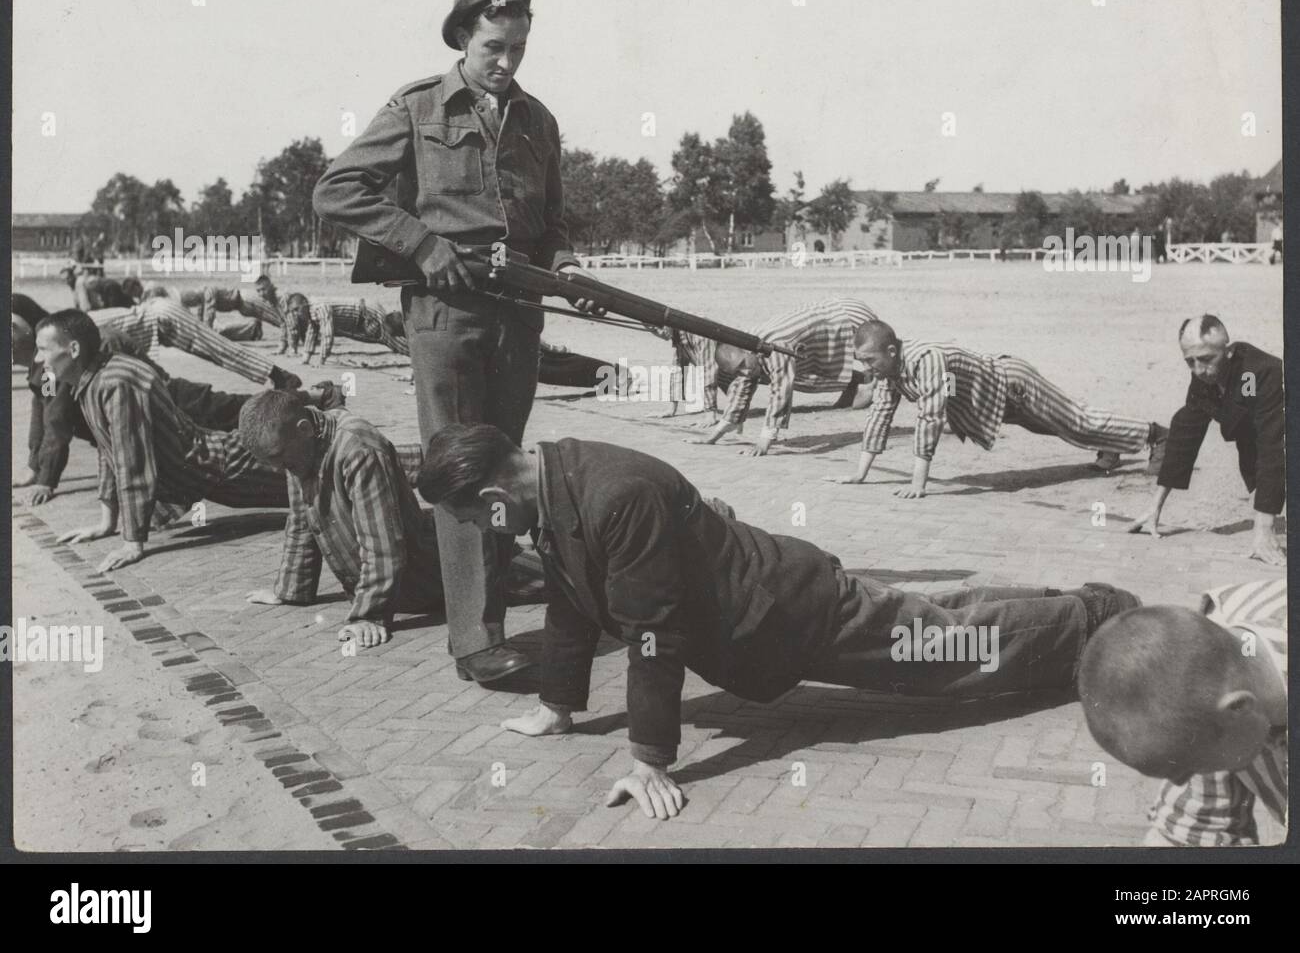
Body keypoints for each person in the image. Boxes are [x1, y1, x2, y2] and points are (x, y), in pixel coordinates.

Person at [416, 423, 1140, 820]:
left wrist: (649, 759)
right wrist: (558, 706)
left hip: (793, 612)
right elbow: (574, 600)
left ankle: (1094, 619)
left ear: (491, 489)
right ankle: (1076, 604)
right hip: (775, 604)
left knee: (951, 654)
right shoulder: (550, 484)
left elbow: (651, 635)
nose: (480, 529)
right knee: (941, 623)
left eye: (472, 516)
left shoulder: (612, 496)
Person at [312, 0, 603, 684]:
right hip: (445, 314)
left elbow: (552, 220)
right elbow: (336, 189)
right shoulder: (417, 108)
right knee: (459, 469)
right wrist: (420, 243)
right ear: (463, 39)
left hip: (519, 313)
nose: (507, 62)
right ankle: (474, 640)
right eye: (494, 48)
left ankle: (492, 612)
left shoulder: (539, 121)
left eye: (519, 48)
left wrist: (566, 265)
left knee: (505, 465)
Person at [34, 310, 317, 574]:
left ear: (73, 350)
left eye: (44, 349)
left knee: (323, 485)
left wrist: (133, 542)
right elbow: (108, 450)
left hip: (228, 466)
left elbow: (132, 461)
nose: (38, 359)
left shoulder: (115, 381)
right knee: (315, 490)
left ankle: (326, 405)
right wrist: (106, 523)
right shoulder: (92, 381)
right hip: (216, 471)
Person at [13, 295, 344, 507]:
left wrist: (46, 479)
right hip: (134, 353)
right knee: (216, 407)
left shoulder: (57, 342)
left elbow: (55, 420)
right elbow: (41, 411)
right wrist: (34, 467)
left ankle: (301, 390)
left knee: (218, 383)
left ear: (22, 329)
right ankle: (303, 394)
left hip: (160, 318)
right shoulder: (45, 357)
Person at [838, 319, 1167, 497]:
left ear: (892, 351)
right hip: (992, 401)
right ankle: (1111, 447)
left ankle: (1156, 434)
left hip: (1013, 384)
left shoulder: (926, 359)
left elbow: (930, 418)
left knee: (1075, 421)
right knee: (1053, 426)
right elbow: (880, 414)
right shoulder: (887, 371)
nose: (867, 368)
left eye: (870, 360)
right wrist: (858, 475)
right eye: (862, 361)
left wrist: (918, 484)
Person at [1078, 579, 1286, 846]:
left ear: (1239, 708)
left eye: (1190, 767)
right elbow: (1195, 831)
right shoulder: (1210, 669)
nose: (1179, 783)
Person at [239, 391, 442, 649]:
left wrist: (368, 615)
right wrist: (291, 591)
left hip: (425, 582)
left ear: (304, 429)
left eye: (281, 459)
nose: (280, 469)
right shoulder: (297, 448)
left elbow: (382, 540)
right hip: (393, 589)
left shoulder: (357, 447)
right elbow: (303, 523)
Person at [1128, 316, 1285, 565]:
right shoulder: (1205, 374)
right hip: (1254, 441)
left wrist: (1265, 529)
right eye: (1190, 361)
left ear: (1229, 351)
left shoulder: (1255, 375)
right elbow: (1186, 429)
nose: (1198, 370)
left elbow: (1272, 447)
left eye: (1206, 359)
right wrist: (1154, 507)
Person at [688, 298, 879, 456]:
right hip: (825, 322)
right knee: (815, 370)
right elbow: (742, 388)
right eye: (738, 371)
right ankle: (855, 387)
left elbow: (781, 391)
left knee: (867, 355)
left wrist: (765, 441)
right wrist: (714, 436)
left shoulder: (774, 348)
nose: (744, 372)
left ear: (746, 352)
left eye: (743, 366)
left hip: (846, 316)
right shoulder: (747, 356)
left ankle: (875, 386)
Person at [90, 296, 302, 390]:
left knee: (219, 349)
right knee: (218, 351)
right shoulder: (66, 329)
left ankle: (279, 375)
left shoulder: (68, 331)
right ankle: (277, 375)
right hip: (158, 320)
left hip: (163, 318)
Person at [282, 294, 410, 365]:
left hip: (367, 311)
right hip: (360, 321)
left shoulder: (319, 307)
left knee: (392, 338)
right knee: (387, 340)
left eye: (296, 309)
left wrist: (322, 360)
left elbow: (327, 333)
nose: (296, 314)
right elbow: (312, 331)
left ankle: (418, 357)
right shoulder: (310, 312)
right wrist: (306, 357)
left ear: (304, 303)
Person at [201, 275, 286, 344]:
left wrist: (206, 335)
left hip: (245, 300)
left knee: (279, 319)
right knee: (277, 318)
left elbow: (209, 315)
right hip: (242, 305)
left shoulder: (209, 291)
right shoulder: (203, 298)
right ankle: (254, 329)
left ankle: (294, 333)